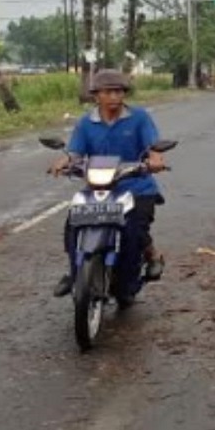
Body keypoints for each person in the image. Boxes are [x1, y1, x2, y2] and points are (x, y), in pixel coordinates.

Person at [50, 70, 168, 305]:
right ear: (96, 96)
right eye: (108, 92)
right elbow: (75, 152)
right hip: (98, 185)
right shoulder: (86, 123)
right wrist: (65, 161)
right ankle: (75, 271)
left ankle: (152, 254)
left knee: (137, 227)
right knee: (74, 219)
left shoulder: (139, 117)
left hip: (136, 184)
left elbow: (152, 145)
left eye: (119, 91)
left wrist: (155, 159)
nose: (114, 96)